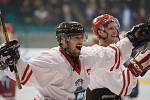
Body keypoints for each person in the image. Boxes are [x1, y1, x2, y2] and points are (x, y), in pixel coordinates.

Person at [0, 21, 149, 100]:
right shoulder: (51, 60)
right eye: (75, 38)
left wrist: (131, 39)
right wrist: (9, 60)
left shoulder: (86, 55)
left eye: (81, 37)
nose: (80, 41)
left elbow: (112, 54)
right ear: (63, 41)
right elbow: (24, 74)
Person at [85, 14, 150, 100]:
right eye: (111, 28)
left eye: (116, 28)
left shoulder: (114, 57)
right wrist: (136, 67)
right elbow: (122, 88)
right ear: (100, 32)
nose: (115, 31)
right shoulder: (98, 56)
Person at [0, 23, 16, 100]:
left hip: (8, 75)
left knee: (10, 97)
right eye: (4, 32)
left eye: (10, 32)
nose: (8, 35)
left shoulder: (14, 46)